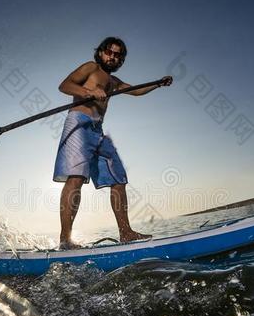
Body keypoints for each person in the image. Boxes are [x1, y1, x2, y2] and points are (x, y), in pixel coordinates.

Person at [53, 36, 173, 249]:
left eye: (118, 55)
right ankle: (65, 239)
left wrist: (157, 84)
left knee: (118, 178)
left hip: (98, 130)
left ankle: (126, 233)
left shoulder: (114, 82)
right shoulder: (90, 68)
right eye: (109, 52)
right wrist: (89, 92)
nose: (113, 57)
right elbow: (65, 85)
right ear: (101, 52)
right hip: (79, 123)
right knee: (76, 178)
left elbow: (136, 90)